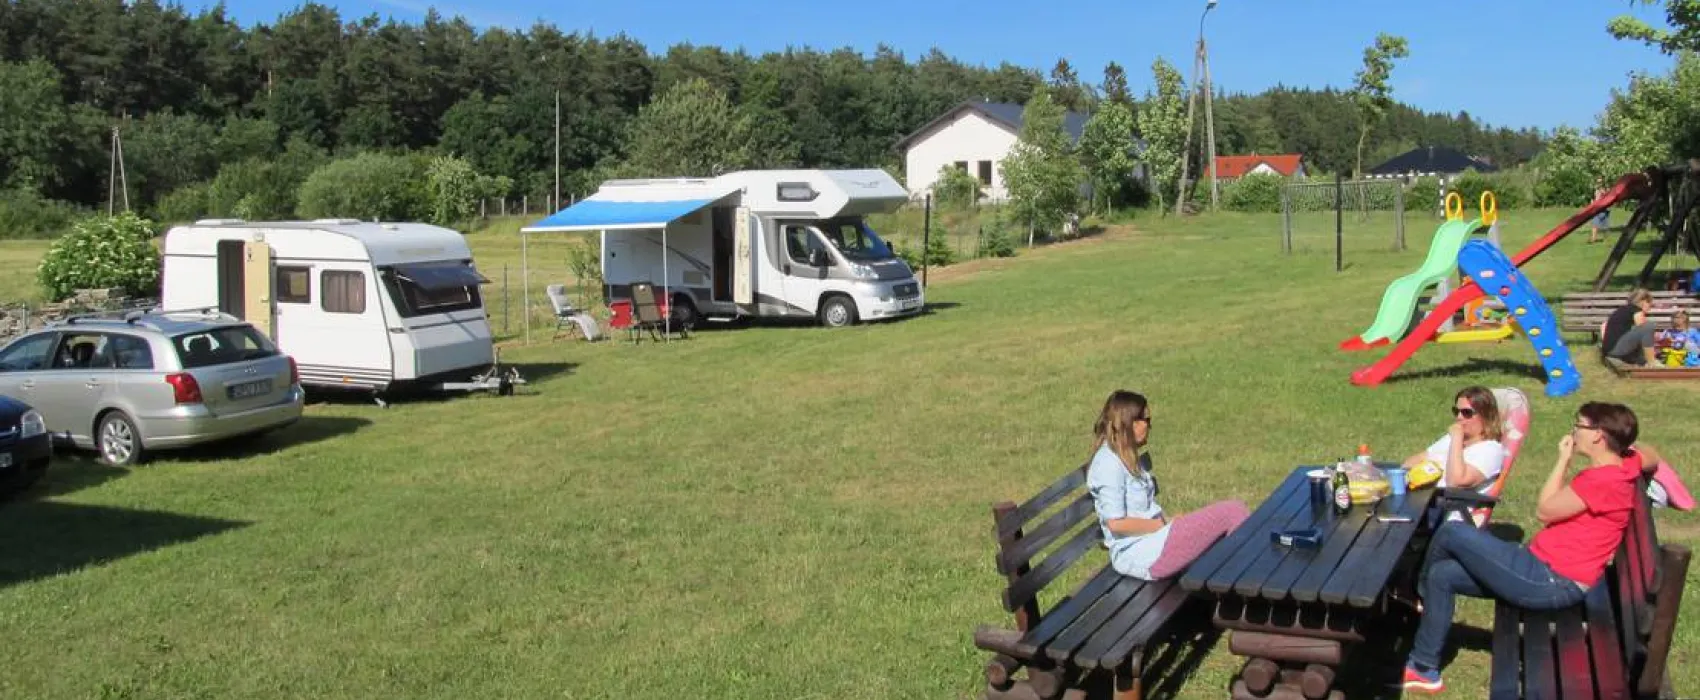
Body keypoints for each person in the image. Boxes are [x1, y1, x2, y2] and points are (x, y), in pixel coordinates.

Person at [1403, 402, 1646, 693]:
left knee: (1452, 532)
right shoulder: (1625, 465)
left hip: (1550, 581)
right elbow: (1649, 454)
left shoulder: (1602, 481)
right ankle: (1424, 667)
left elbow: (1544, 510)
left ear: (1598, 435)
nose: (1573, 431)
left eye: (1579, 425)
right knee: (1442, 575)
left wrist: (1563, 461)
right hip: (1541, 566)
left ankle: (1413, 595)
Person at [1085, 390, 1252, 580]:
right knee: (1234, 512)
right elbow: (1116, 523)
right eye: (1146, 420)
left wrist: (1170, 521)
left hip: (1154, 541)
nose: (1150, 426)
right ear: (1130, 422)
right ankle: (1242, 585)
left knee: (1223, 534)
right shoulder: (1108, 463)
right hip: (1140, 553)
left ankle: (1233, 587)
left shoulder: (1125, 455)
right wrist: (1163, 524)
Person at [1400, 386, 1506, 495]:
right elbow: (1410, 463)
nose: (1459, 417)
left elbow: (1455, 482)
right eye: (1456, 411)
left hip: (1445, 507)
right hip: (1419, 497)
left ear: (1485, 416)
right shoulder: (1451, 438)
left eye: (1467, 412)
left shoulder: (1491, 450)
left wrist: (1456, 439)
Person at [1601, 288, 1659, 366]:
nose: (1650, 307)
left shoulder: (1622, 310)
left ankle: (1641, 360)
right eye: (1649, 303)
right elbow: (1644, 332)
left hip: (1609, 349)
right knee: (1648, 326)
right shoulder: (1636, 311)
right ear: (1642, 301)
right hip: (1616, 350)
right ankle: (1652, 362)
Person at [1589, 177, 1609, 244]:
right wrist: (1591, 206)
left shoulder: (1605, 189)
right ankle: (1593, 239)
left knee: (1604, 226)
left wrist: (1603, 192)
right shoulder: (1594, 190)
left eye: (1600, 182)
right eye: (1598, 182)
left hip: (1604, 209)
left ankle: (1605, 239)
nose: (1599, 184)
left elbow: (1608, 197)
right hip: (1595, 209)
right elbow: (1592, 199)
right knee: (1595, 224)